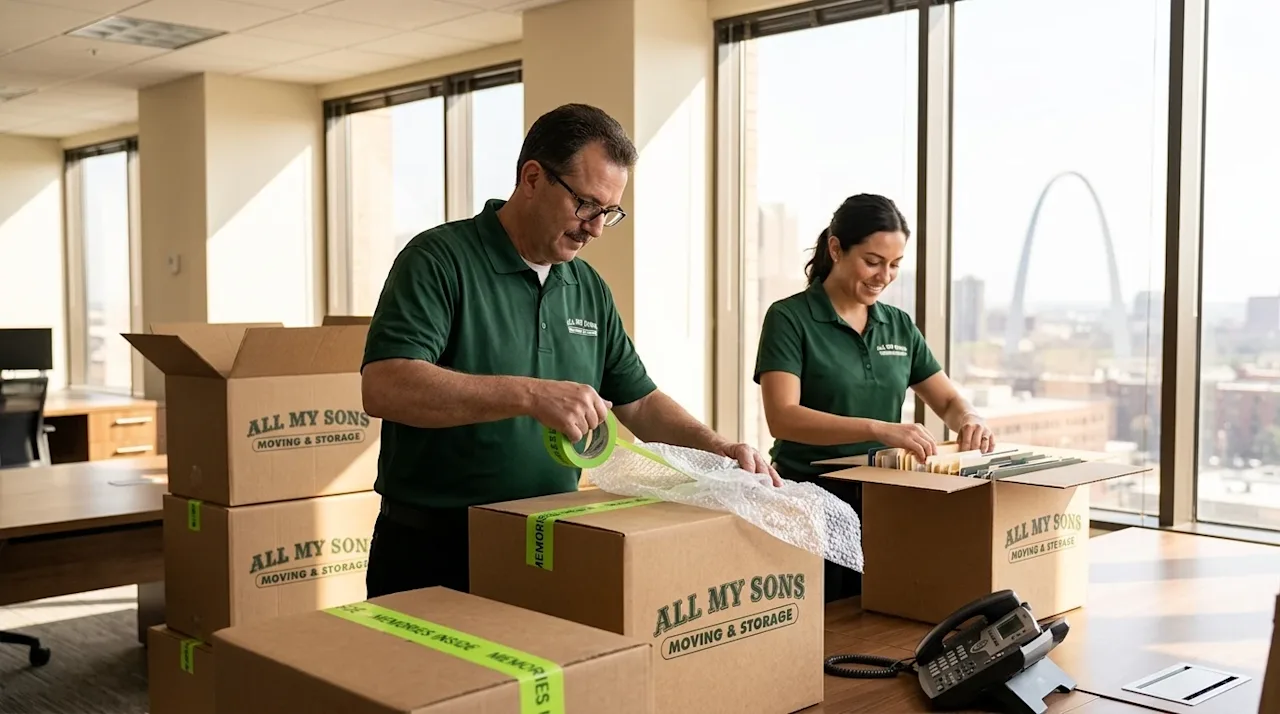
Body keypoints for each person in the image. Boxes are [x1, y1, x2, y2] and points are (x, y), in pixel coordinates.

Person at [360, 103, 779, 599]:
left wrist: (718, 449)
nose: (596, 228)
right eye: (587, 205)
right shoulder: (438, 260)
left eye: (609, 212)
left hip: (544, 539)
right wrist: (530, 394)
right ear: (533, 178)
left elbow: (639, 402)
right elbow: (385, 385)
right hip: (433, 546)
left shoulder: (586, 288)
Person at [753, 193, 994, 603]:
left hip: (886, 503)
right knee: (827, 626)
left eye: (895, 265)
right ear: (835, 248)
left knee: (887, 621)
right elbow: (783, 416)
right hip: (813, 501)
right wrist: (879, 429)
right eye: (873, 261)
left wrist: (970, 418)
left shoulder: (897, 325)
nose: (884, 275)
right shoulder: (789, 318)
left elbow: (949, 402)